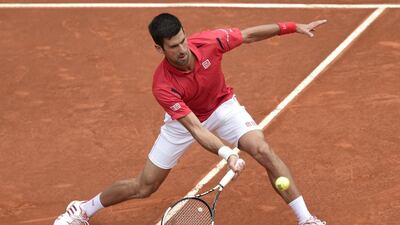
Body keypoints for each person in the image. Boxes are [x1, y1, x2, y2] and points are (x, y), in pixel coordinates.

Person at [54, 13, 327, 225]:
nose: (182, 49)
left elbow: (248, 35)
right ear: (159, 49)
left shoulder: (210, 42)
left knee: (263, 149)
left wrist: (294, 26)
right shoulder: (163, 85)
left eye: (183, 40)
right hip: (185, 123)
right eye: (173, 46)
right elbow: (195, 128)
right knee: (145, 186)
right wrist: (226, 153)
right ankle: (83, 209)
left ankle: (306, 218)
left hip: (223, 106)